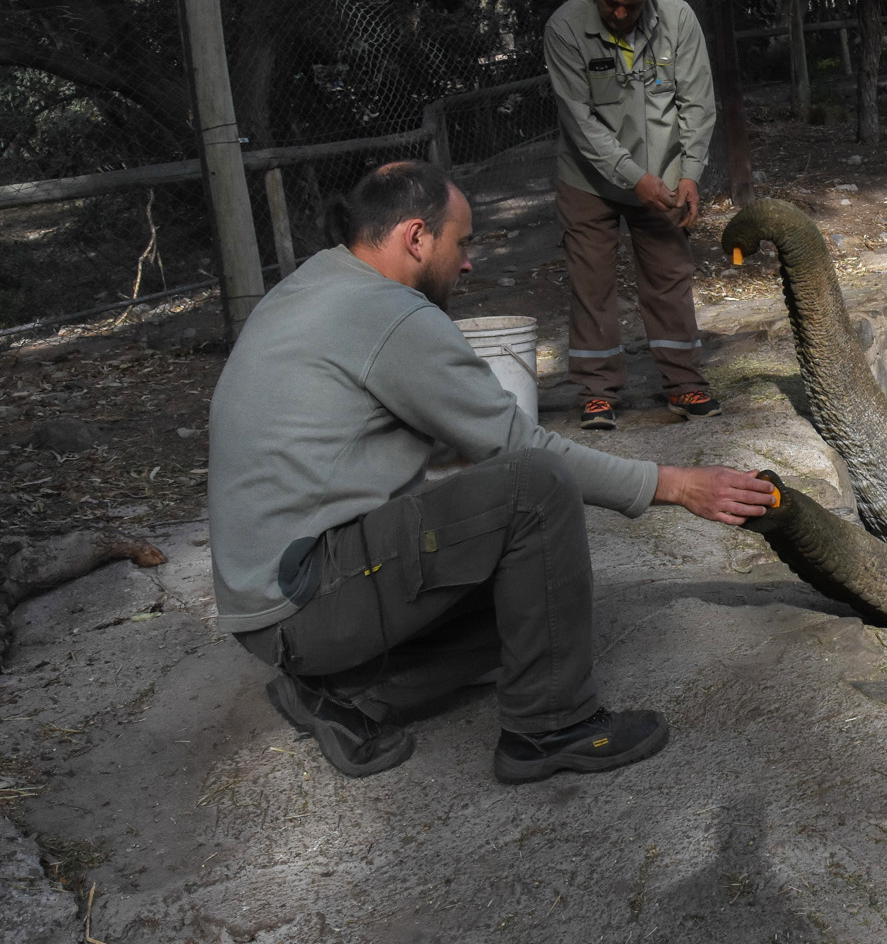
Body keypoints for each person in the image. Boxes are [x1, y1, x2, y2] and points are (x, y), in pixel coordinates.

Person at [206, 161, 773, 784]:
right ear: (416, 237)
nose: (468, 262)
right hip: (304, 600)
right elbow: (517, 446)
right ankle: (549, 727)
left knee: (541, 607)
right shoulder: (389, 314)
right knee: (536, 486)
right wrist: (676, 484)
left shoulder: (316, 282)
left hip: (274, 605)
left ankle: (342, 691)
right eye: (462, 242)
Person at [546, 0, 720, 431]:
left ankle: (684, 382)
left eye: (632, 4)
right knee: (591, 283)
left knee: (670, 277)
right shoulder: (564, 27)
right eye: (610, 3)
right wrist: (632, 176)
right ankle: (597, 392)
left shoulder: (679, 19)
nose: (620, 14)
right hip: (587, 179)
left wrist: (690, 174)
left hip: (663, 174)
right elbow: (580, 122)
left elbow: (697, 103)